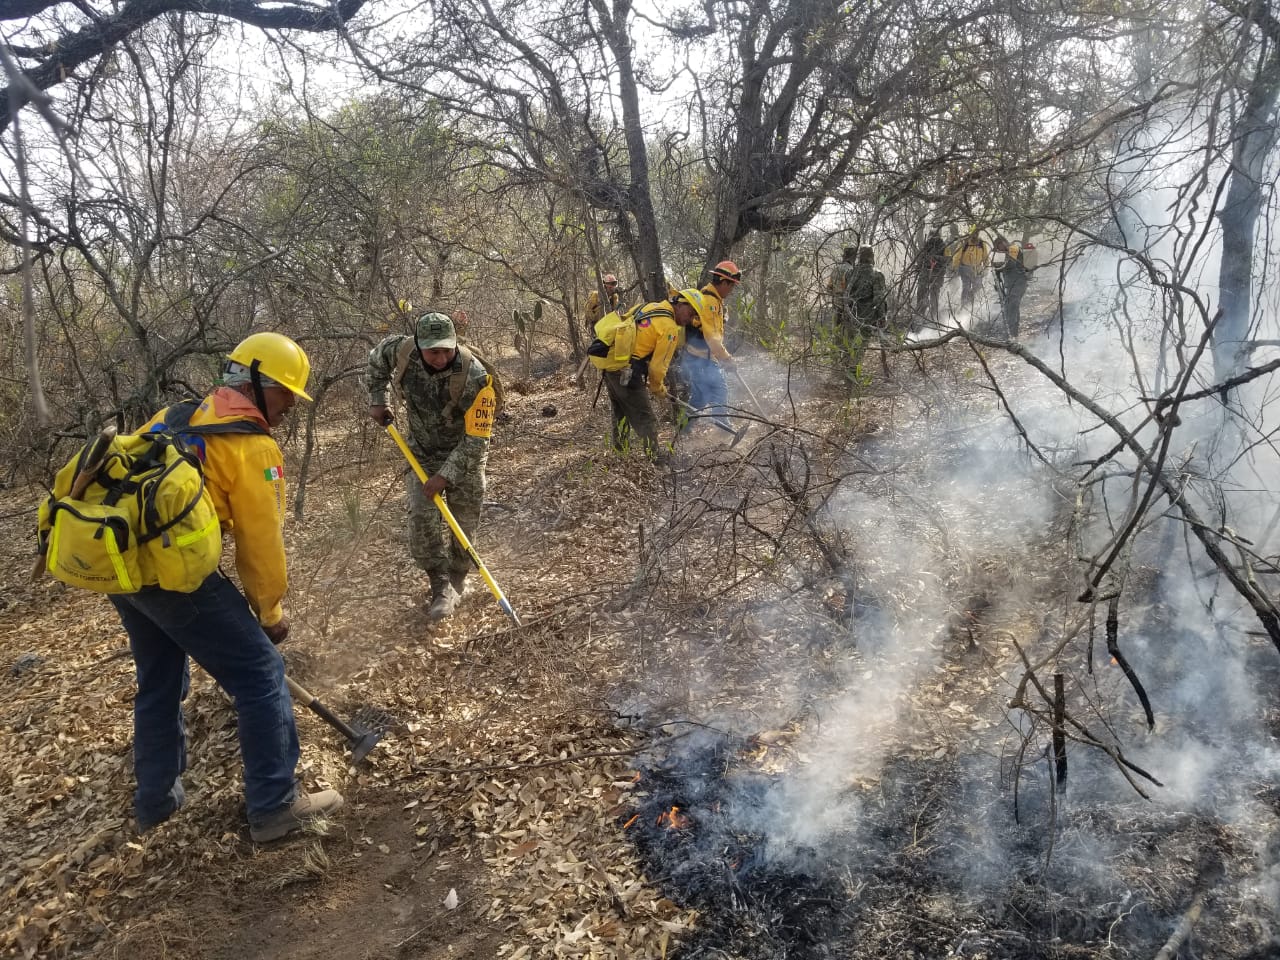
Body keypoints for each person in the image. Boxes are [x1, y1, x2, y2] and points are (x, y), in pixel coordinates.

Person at [112, 332, 343, 842]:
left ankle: (156, 804)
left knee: (160, 681)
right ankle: (274, 807)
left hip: (128, 576)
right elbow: (261, 545)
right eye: (285, 394)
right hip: (180, 582)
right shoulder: (252, 446)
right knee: (261, 675)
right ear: (257, 383)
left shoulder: (173, 416)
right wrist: (269, 614)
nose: (289, 407)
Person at [367, 312, 497, 621]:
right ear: (418, 345)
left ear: (455, 343)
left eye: (446, 349)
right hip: (421, 454)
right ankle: (439, 584)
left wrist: (445, 475)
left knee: (463, 524)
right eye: (432, 350)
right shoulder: (399, 351)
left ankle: (457, 577)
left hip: (463, 455)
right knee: (422, 523)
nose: (440, 357)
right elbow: (376, 360)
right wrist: (378, 398)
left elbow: (478, 439)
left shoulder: (476, 378)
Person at [603, 288, 708, 460]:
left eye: (694, 317)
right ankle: (655, 459)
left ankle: (620, 456)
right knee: (646, 417)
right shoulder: (669, 328)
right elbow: (657, 368)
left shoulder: (650, 307)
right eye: (691, 313)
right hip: (626, 371)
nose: (690, 320)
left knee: (620, 411)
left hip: (610, 364)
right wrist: (658, 388)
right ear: (681, 304)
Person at [682, 260, 743, 431]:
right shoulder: (709, 301)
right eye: (731, 286)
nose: (731, 291)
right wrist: (726, 358)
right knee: (719, 390)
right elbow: (711, 337)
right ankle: (723, 430)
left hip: (702, 357)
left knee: (699, 399)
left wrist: (720, 357)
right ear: (723, 282)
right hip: (699, 358)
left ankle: (682, 432)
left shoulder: (715, 299)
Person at [843, 246, 889, 333]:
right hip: (867, 317)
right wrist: (882, 317)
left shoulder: (849, 273)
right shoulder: (876, 274)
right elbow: (878, 299)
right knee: (864, 343)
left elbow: (845, 294)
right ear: (871, 256)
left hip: (851, 314)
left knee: (850, 343)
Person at [992, 236, 1030, 337]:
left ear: (1003, 243)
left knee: (1012, 306)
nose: (998, 249)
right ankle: (1013, 332)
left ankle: (1011, 334)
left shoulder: (1013, 249)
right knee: (1011, 307)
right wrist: (997, 277)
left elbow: (1010, 264)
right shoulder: (1004, 253)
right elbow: (1000, 268)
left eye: (998, 246)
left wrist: (997, 266)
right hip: (1010, 285)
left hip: (1019, 283)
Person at [913, 229, 948, 325]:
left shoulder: (943, 246)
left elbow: (947, 259)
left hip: (937, 273)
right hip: (925, 272)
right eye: (932, 236)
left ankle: (934, 318)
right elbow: (921, 258)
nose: (933, 238)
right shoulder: (926, 244)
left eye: (935, 236)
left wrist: (935, 258)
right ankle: (919, 315)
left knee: (934, 295)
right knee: (921, 293)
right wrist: (919, 266)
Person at [951, 229, 989, 312]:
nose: (975, 235)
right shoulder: (964, 243)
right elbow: (957, 256)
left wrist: (986, 268)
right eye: (973, 233)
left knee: (978, 286)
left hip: (978, 269)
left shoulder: (982, 243)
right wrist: (955, 267)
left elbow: (985, 257)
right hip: (965, 269)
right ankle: (964, 304)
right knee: (966, 287)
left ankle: (970, 298)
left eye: (976, 233)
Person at [827, 246, 859, 327]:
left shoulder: (836, 269)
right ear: (853, 257)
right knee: (848, 334)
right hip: (848, 306)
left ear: (844, 256)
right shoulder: (852, 270)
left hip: (836, 305)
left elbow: (829, 288)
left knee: (836, 330)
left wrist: (836, 296)